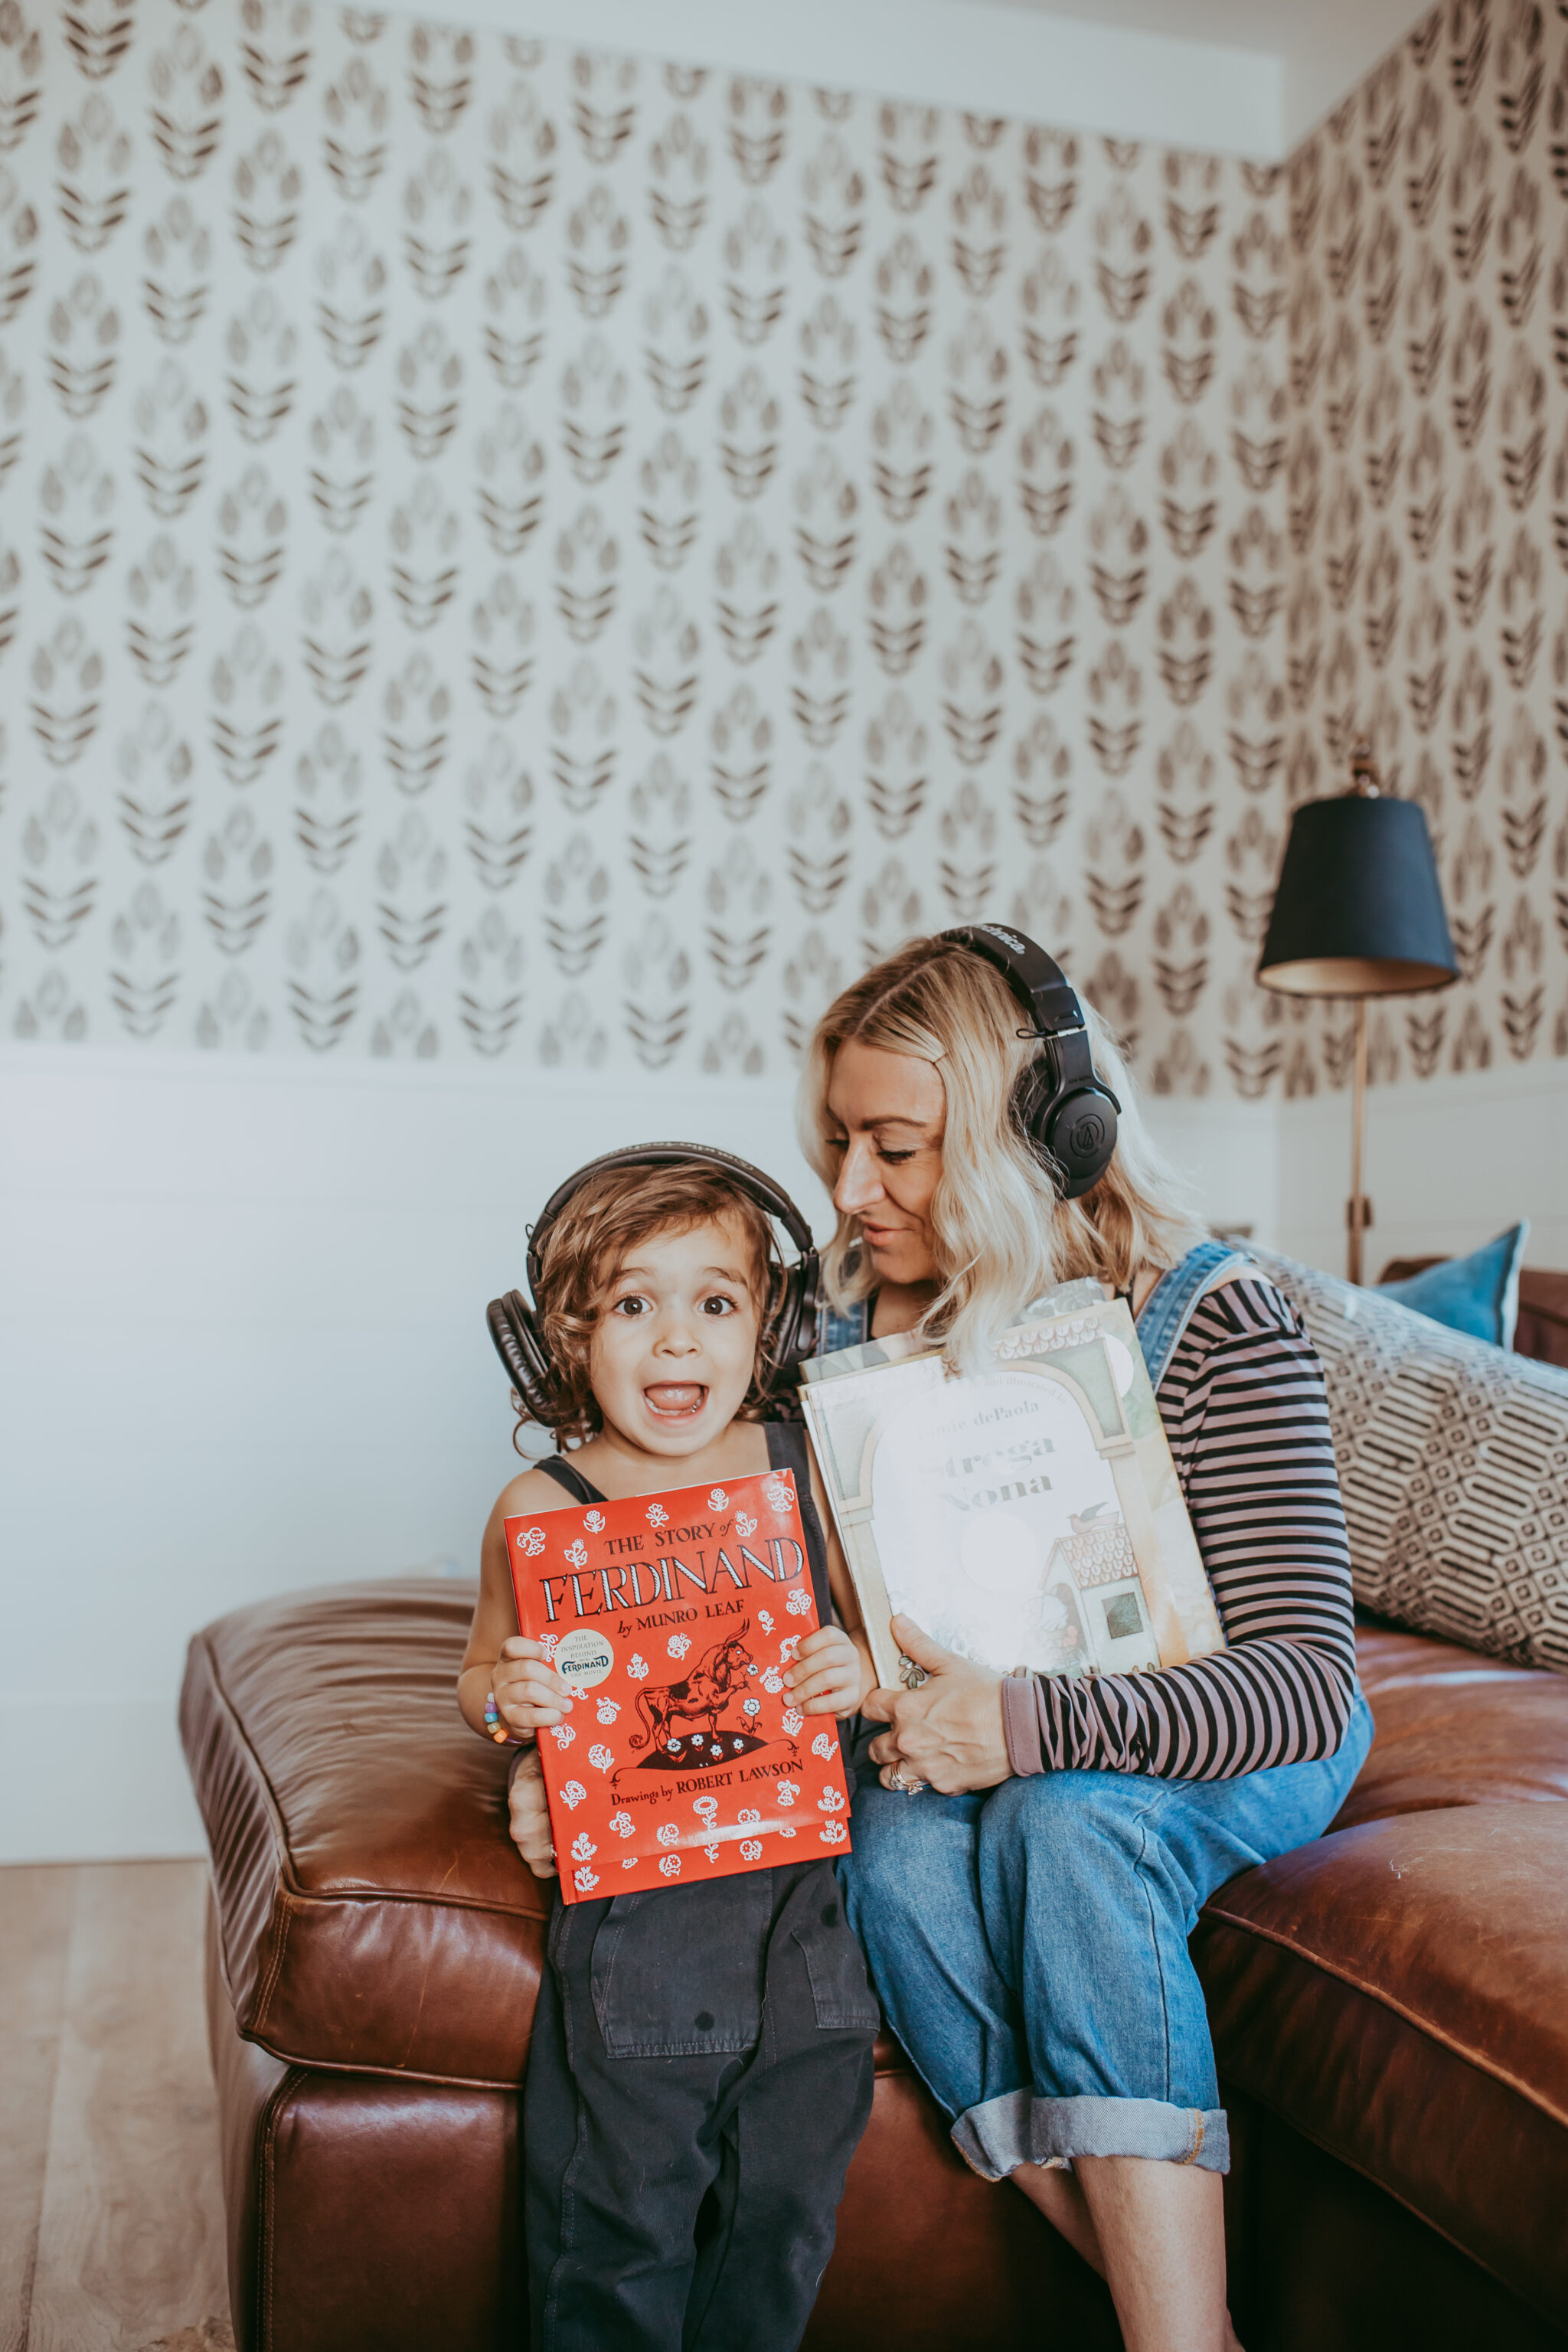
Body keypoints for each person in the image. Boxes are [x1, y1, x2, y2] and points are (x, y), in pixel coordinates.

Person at [797, 930, 1370, 2352]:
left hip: (1220, 1724)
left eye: (897, 1149)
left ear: (1033, 1137)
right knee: (897, 1852)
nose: (852, 1191)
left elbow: (1303, 1686)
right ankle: (1185, 2311)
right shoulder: (839, 1325)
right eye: (838, 1145)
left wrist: (1029, 1726)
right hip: (986, 1714)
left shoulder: (1216, 1314)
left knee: (1069, 1822)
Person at [460, 1158, 880, 2352]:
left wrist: (856, 1669)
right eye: (634, 1306)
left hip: (808, 1923)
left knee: (788, 2208)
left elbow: (877, 1639)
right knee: (620, 2219)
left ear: (771, 1323)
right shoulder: (542, 1508)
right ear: (570, 1337)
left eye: (715, 1303)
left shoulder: (805, 1465)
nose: (675, 1343)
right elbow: (479, 1678)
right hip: (643, 1929)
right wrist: (512, 1702)